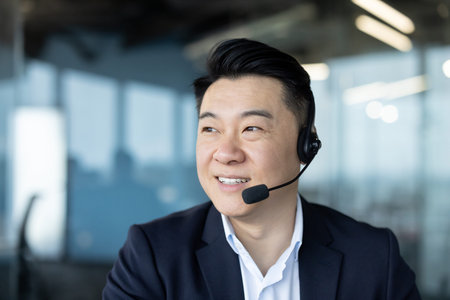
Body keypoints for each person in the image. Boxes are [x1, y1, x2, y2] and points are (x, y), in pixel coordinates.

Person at [103, 38, 421, 300]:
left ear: (305, 145)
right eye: (210, 129)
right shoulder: (153, 255)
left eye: (252, 128)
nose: (225, 153)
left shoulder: (374, 259)